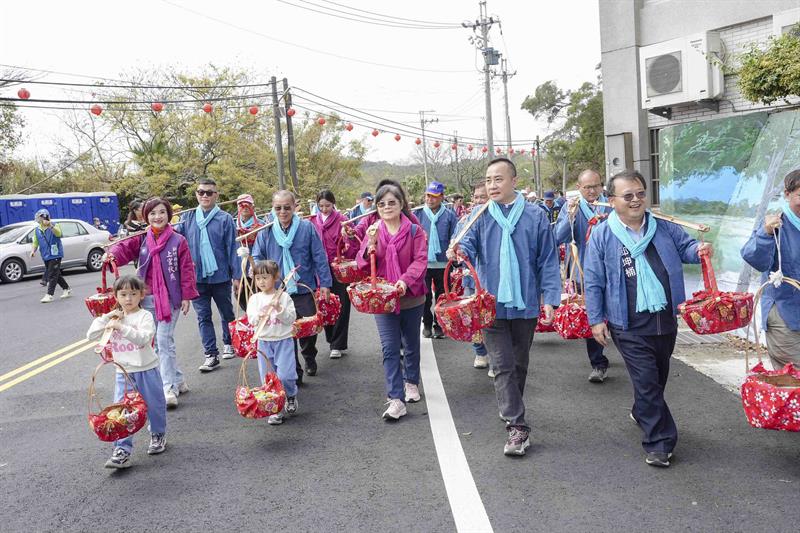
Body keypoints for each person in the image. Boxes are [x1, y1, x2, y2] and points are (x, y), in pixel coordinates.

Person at [584, 170, 712, 468]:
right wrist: (596, 319)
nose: (635, 200)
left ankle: (643, 410)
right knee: (646, 380)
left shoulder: (664, 226)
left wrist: (699, 250)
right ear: (611, 200)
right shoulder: (603, 235)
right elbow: (593, 280)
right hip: (626, 323)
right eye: (627, 195)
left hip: (665, 318)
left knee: (657, 378)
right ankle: (659, 442)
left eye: (640, 193)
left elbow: (686, 248)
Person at [449, 158, 560, 456]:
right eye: (488, 180)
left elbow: (548, 260)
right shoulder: (479, 216)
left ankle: (512, 407)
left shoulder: (536, 216)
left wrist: (550, 298)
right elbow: (467, 244)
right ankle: (517, 425)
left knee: (519, 363)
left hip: (526, 303)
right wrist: (460, 249)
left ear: (513, 181)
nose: (492, 185)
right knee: (502, 365)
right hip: (490, 304)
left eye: (498, 179)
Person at [104, 198, 198, 409]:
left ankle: (168, 388)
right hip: (145, 298)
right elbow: (123, 248)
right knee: (152, 342)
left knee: (164, 341)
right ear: (146, 216)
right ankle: (179, 378)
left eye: (162, 212)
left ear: (168, 215)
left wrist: (186, 296)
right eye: (153, 213)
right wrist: (110, 256)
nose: (158, 217)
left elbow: (187, 269)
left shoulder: (178, 240)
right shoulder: (141, 239)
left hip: (171, 299)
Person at [358, 183, 428, 421]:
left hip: (412, 297)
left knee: (410, 344)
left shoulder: (414, 231)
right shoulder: (373, 231)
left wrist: (405, 281)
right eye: (381, 204)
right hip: (383, 300)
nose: (387, 207)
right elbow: (362, 264)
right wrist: (371, 245)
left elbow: (420, 260)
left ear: (401, 205)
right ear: (376, 207)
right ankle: (396, 399)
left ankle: (411, 381)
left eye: (391, 203)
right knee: (389, 348)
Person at [86, 275, 167, 469]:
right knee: (122, 412)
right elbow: (91, 335)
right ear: (116, 296)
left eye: (133, 294)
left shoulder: (145, 316)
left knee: (154, 405)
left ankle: (157, 433)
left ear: (141, 295)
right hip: (123, 372)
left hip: (146, 369)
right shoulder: (114, 317)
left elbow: (143, 339)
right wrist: (107, 318)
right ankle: (122, 448)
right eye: (123, 294)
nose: (128, 299)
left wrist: (121, 327)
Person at [250, 190, 332, 381]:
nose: (283, 212)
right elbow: (257, 256)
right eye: (278, 208)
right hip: (276, 290)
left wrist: (325, 283)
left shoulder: (306, 228)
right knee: (285, 332)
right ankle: (294, 372)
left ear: (295, 207)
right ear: (273, 208)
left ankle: (309, 355)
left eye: (287, 207)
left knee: (307, 328)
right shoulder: (266, 231)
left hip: (303, 286)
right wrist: (256, 273)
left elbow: (319, 256)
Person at [175, 178, 242, 372]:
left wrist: (237, 276)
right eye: (201, 192)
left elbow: (232, 247)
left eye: (209, 192)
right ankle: (210, 354)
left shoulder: (225, 218)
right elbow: (175, 240)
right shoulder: (186, 218)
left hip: (221, 276)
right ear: (196, 194)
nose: (204, 195)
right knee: (203, 316)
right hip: (197, 278)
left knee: (226, 312)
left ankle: (229, 343)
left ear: (216, 195)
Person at [554, 169, 613, 383]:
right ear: (579, 188)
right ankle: (598, 363)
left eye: (596, 186)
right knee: (593, 315)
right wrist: (568, 217)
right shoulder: (572, 208)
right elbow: (558, 238)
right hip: (584, 271)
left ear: (601, 186)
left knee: (618, 316)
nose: (592, 190)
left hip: (613, 271)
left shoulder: (612, 206)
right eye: (587, 187)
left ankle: (629, 351)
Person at [741, 169, 800, 370]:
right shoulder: (775, 223)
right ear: (787, 193)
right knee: (793, 378)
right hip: (785, 314)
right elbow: (754, 257)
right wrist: (766, 234)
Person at [246, 260, 299, 425]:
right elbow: (251, 319)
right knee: (268, 379)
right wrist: (259, 317)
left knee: (286, 375)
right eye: (258, 278)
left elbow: (291, 318)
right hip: (264, 342)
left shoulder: (284, 297)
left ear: (275, 278)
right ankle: (274, 409)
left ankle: (290, 395)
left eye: (265, 277)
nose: (261, 281)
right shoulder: (255, 299)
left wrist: (279, 309)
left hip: (283, 340)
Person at [310, 189, 354, 359]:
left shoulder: (342, 220)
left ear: (333, 203)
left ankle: (338, 343)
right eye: (320, 206)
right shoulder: (313, 221)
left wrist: (347, 238)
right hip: (320, 268)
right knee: (325, 303)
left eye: (327, 205)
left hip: (338, 267)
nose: (324, 209)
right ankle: (331, 338)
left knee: (341, 304)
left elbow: (351, 242)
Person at [456, 181, 491, 371]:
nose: (478, 201)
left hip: (491, 279)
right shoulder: (464, 220)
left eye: (482, 197)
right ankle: (480, 352)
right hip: (471, 278)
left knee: (492, 319)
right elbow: (459, 245)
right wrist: (457, 250)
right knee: (475, 318)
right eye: (476, 197)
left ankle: (496, 358)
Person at [418, 181, 457, 339]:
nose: (430, 199)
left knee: (442, 296)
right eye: (428, 195)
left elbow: (455, 236)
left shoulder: (449, 215)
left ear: (441, 197)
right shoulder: (418, 214)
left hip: (443, 264)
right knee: (425, 297)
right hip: (423, 263)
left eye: (434, 196)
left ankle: (439, 325)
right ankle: (427, 323)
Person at [30, 208, 71, 303]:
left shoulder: (55, 225)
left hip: (55, 254)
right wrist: (33, 251)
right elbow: (35, 242)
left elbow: (59, 234)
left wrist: (50, 225)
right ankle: (66, 289)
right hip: (45, 255)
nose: (39, 219)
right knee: (56, 274)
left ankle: (49, 295)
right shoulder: (37, 229)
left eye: (40, 217)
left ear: (45, 216)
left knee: (52, 275)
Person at [235, 193, 264, 312]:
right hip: (239, 268)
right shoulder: (232, 225)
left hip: (258, 268)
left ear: (253, 206)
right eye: (241, 205)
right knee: (243, 299)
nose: (245, 207)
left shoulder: (262, 225)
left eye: (248, 204)